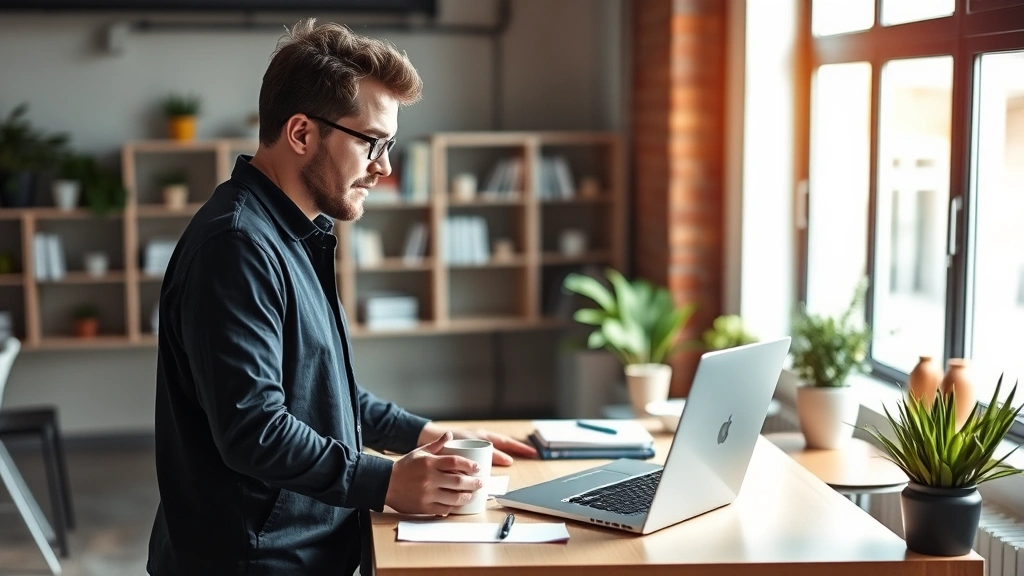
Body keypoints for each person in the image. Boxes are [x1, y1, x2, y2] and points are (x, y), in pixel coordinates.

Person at [146, 19, 536, 576]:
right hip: (256, 562)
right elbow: (254, 430)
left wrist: (424, 435)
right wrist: (387, 481)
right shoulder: (236, 246)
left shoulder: (294, 231)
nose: (385, 167)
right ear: (302, 133)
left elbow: (316, 390)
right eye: (372, 143)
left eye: (390, 145)